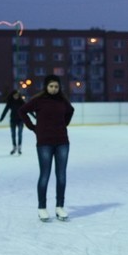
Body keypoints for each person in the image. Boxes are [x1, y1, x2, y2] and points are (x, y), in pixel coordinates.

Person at [18, 74, 75, 221]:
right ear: (46, 87)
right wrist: (33, 127)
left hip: (62, 142)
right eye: (51, 86)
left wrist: (63, 125)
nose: (54, 89)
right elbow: (22, 111)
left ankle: (59, 207)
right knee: (45, 175)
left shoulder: (63, 101)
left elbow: (70, 111)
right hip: (44, 143)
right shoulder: (38, 101)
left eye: (56, 86)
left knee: (61, 175)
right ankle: (42, 208)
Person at [0, 90, 25, 155]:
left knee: (19, 134)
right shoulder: (10, 102)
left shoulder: (21, 102)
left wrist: (34, 116)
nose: (16, 96)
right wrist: (2, 117)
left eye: (17, 95)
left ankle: (19, 148)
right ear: (12, 95)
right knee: (13, 135)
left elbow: (27, 109)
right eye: (15, 95)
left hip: (20, 120)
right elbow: (5, 110)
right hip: (13, 120)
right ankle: (14, 147)